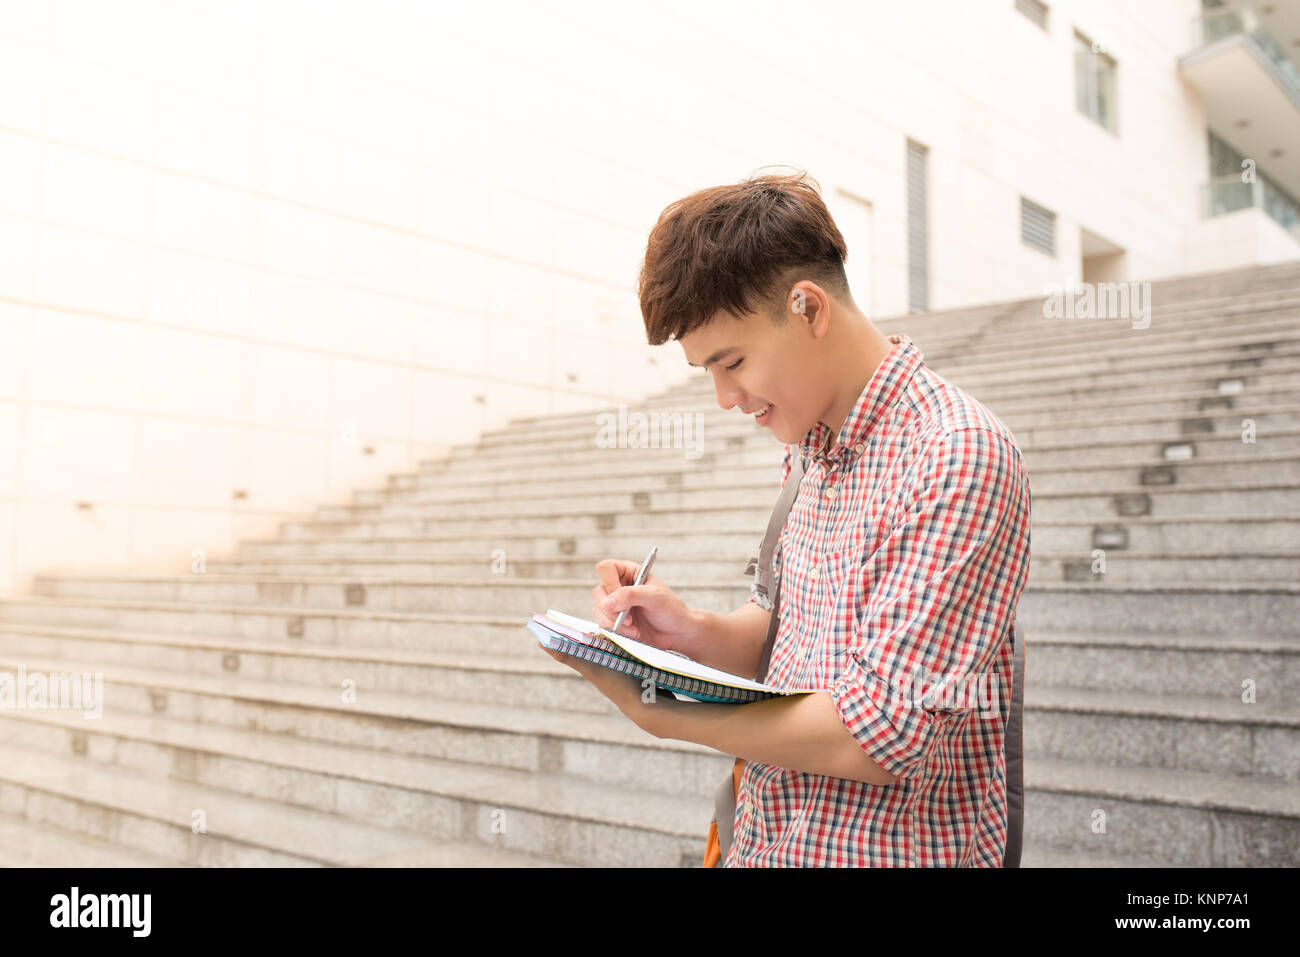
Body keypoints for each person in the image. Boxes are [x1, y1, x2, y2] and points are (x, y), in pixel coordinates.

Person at [539, 167, 1032, 866]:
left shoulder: (957, 453)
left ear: (807, 307)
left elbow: (883, 730)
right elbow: (791, 638)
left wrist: (674, 713)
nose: (724, 397)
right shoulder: (809, 451)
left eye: (731, 361)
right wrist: (691, 633)